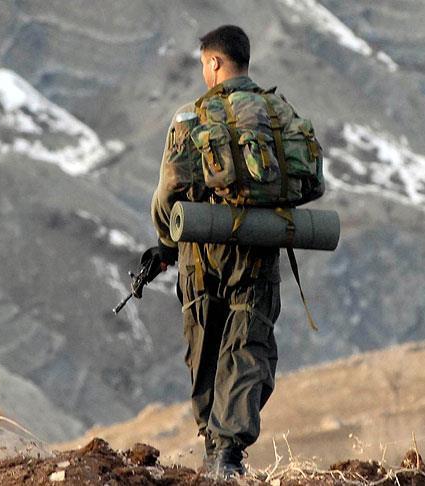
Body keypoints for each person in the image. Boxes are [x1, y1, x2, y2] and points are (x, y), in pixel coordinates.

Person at [145, 25, 283, 477]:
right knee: (249, 346)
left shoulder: (191, 117)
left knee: (205, 345)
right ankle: (227, 453)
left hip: (203, 253)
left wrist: (166, 243)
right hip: (259, 252)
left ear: (216, 62)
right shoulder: (277, 112)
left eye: (205, 63)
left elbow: (169, 190)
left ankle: (214, 445)